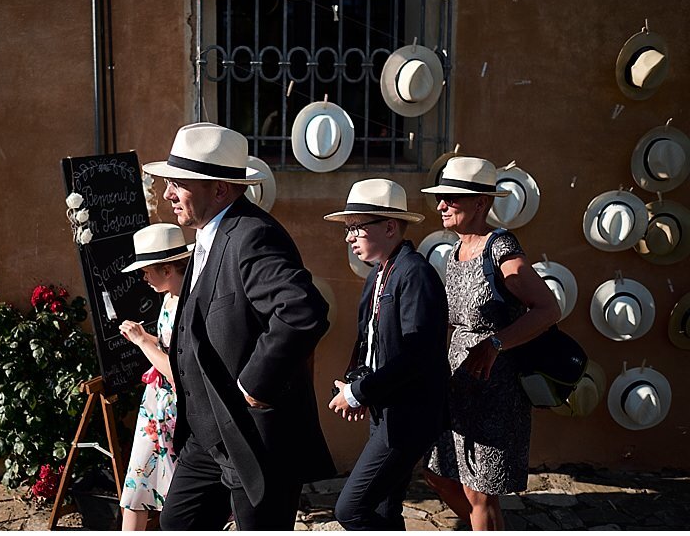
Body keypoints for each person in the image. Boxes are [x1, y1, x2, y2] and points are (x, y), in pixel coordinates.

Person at [142, 123, 333, 531]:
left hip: (256, 441)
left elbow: (302, 311)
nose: (168, 194)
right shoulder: (211, 234)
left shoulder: (253, 236)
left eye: (180, 184)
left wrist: (254, 384)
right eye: (169, 182)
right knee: (178, 523)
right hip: (209, 438)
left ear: (221, 190)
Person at [417, 156, 562, 530]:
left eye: (452, 198)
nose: (441, 206)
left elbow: (547, 308)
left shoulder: (501, 249)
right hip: (458, 384)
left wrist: (495, 344)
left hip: (494, 388)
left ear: (481, 203)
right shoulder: (454, 252)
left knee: (481, 492)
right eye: (441, 198)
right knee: (438, 473)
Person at [323, 179, 450, 530]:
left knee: (350, 510)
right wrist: (358, 382)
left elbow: (416, 355)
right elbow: (372, 341)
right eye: (348, 229)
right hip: (387, 411)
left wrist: (357, 394)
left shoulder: (415, 274)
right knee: (383, 511)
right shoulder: (378, 274)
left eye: (356, 228)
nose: (349, 238)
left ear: (390, 227)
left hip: (408, 417)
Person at [115, 223, 192, 530]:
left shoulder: (188, 302)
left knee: (179, 493)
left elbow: (179, 372)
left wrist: (143, 342)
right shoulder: (169, 297)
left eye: (147, 270)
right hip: (156, 404)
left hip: (176, 407)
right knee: (136, 485)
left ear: (168, 268)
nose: (143, 277)